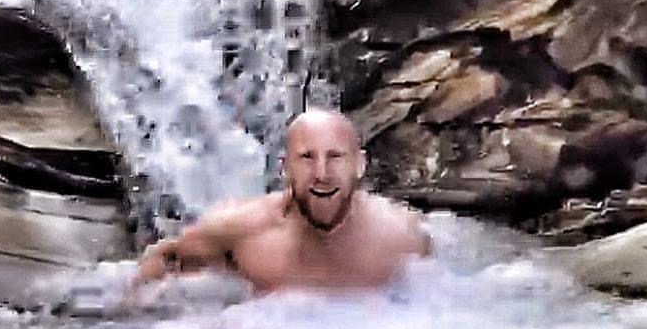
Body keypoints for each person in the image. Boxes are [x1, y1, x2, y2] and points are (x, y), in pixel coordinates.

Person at [136, 109, 431, 293]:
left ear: (359, 165)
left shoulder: (402, 235)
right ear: (285, 167)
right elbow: (161, 259)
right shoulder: (239, 230)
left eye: (335, 157)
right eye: (307, 157)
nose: (322, 174)